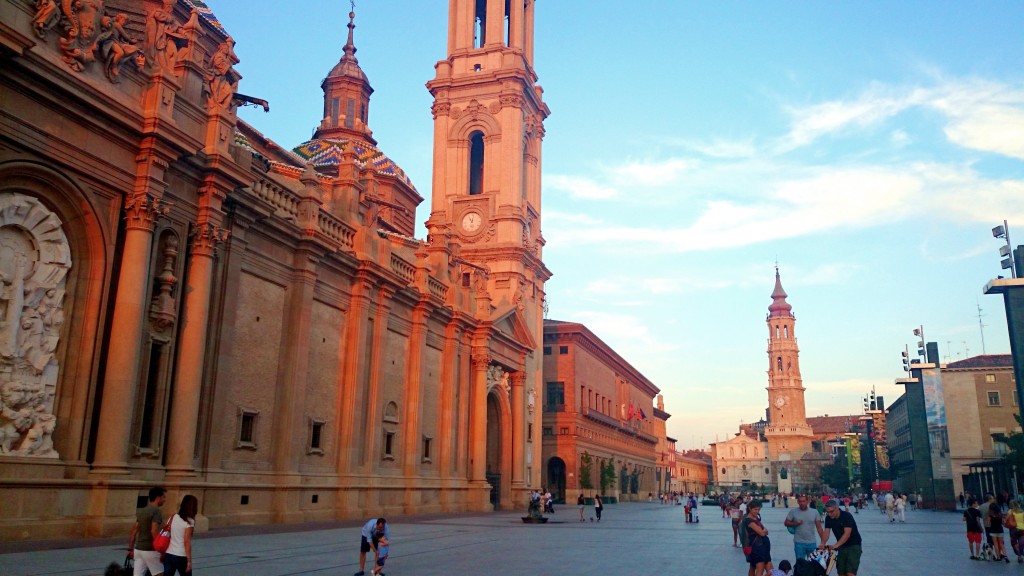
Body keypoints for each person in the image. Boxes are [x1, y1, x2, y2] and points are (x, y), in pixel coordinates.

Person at [129, 486, 166, 576]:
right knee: (160, 574)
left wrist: (130, 548)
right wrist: (160, 549)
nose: (164, 500)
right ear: (158, 498)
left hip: (138, 549)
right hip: (150, 549)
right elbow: (154, 530)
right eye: (163, 497)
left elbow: (134, 531)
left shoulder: (142, 511)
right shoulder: (156, 511)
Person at [822, 499, 863, 576]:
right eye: (827, 512)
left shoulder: (846, 516)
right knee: (841, 572)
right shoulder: (828, 518)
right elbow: (826, 532)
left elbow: (847, 534)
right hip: (841, 546)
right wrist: (822, 543)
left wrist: (835, 546)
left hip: (853, 545)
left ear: (837, 508)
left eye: (831, 511)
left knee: (850, 572)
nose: (829, 514)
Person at [163, 494, 198, 576]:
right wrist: (189, 560)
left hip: (169, 553)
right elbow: (186, 541)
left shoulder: (173, 517)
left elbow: (168, 534)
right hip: (181, 555)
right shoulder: (189, 521)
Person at [785, 494, 824, 562]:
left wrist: (823, 542)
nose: (802, 503)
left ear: (807, 501)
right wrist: (795, 523)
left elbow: (819, 528)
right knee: (800, 564)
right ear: (798, 502)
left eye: (803, 501)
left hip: (812, 543)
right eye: (800, 501)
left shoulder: (814, 512)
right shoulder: (793, 512)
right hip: (799, 543)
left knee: (812, 564)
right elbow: (786, 523)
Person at [743, 501, 771, 576]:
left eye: (758, 509)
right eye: (755, 509)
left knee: (755, 567)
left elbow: (766, 531)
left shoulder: (756, 518)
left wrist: (763, 531)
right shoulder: (749, 520)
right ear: (750, 508)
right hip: (757, 548)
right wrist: (763, 531)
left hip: (762, 547)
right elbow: (762, 532)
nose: (757, 511)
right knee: (760, 569)